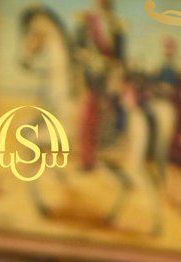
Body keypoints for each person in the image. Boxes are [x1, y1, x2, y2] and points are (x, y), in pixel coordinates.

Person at [74, 0, 126, 169]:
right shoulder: (86, 21)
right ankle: (84, 158)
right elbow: (77, 48)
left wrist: (112, 72)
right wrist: (88, 58)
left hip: (107, 78)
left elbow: (119, 58)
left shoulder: (116, 26)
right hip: (87, 75)